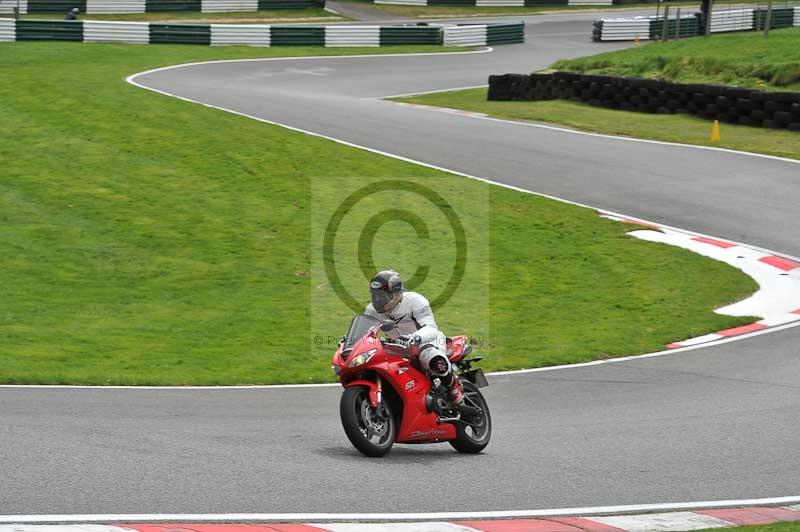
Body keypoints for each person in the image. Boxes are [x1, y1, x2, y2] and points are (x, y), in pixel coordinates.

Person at [365, 270, 463, 406]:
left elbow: (431, 327)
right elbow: (366, 334)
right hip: (398, 347)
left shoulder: (415, 301)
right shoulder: (371, 310)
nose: (377, 300)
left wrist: (416, 337)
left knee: (429, 356)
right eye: (375, 295)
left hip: (428, 341)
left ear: (396, 293)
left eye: (382, 295)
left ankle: (453, 385)